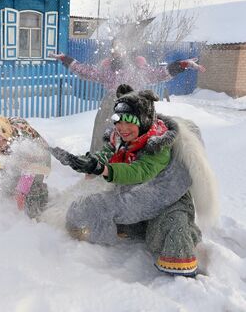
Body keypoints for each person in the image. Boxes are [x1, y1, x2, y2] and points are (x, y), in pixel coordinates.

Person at [49, 84, 219, 277]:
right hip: (135, 195)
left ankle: (185, 259)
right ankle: (135, 227)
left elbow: (141, 171)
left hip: (167, 199)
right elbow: (105, 154)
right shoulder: (119, 138)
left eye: (129, 121)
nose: (122, 127)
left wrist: (104, 170)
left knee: (174, 230)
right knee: (99, 210)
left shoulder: (159, 144)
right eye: (118, 121)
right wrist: (89, 162)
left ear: (144, 120)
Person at [50, 44, 206, 153]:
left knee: (131, 142)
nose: (117, 52)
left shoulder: (139, 69)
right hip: (109, 109)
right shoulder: (106, 70)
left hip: (133, 110)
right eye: (114, 49)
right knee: (102, 138)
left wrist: (182, 65)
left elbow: (160, 73)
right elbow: (85, 71)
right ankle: (98, 165)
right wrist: (66, 59)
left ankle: (126, 169)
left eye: (120, 48)